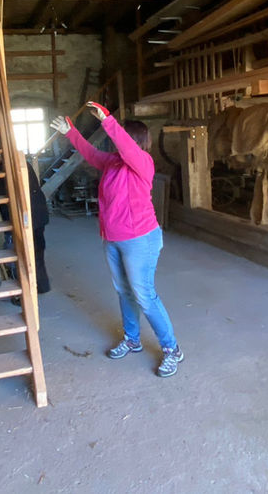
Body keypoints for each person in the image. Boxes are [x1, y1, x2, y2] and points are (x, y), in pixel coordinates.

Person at [51, 102, 183, 377]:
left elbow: (127, 148)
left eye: (123, 135)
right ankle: (132, 339)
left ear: (134, 140)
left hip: (140, 240)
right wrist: (70, 132)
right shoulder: (112, 162)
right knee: (124, 291)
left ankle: (172, 349)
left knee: (144, 295)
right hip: (113, 238)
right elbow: (90, 153)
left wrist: (108, 121)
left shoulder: (143, 163)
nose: (116, 141)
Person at [0, 150, 51, 298]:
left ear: (1, 156)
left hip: (22, 219)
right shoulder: (24, 164)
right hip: (38, 214)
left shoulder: (1, 171)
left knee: (18, 255)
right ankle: (43, 285)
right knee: (37, 251)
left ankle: (20, 292)